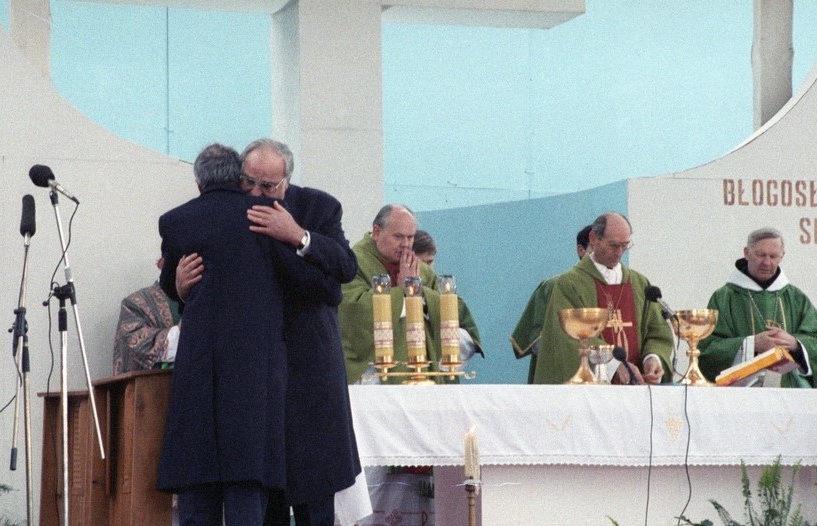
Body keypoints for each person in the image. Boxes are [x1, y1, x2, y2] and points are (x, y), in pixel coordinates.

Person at [175, 138, 363, 526]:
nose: (257, 194)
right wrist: (177, 287)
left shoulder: (318, 207)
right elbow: (205, 286)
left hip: (308, 372)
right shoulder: (228, 215)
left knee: (315, 500)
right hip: (255, 380)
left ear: (287, 183)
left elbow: (343, 269)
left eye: (269, 187)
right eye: (250, 183)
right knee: (266, 502)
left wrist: (298, 235)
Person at [156, 143, 298, 525]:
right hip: (254, 373)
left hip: (200, 371)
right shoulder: (266, 216)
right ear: (238, 179)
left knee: (197, 487)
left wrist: (178, 288)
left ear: (199, 182)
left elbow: (176, 282)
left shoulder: (175, 222)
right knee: (247, 487)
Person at [339, 204, 482, 384]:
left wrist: (420, 295)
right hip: (373, 375)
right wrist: (402, 293)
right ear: (376, 232)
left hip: (424, 374)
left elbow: (451, 306)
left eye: (410, 237)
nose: (406, 245)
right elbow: (352, 312)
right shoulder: (353, 263)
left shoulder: (420, 270)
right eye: (398, 237)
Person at [532, 212, 672, 385]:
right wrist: (612, 364)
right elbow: (567, 338)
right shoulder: (569, 284)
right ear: (593, 238)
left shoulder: (639, 283)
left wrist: (652, 359)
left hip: (637, 389)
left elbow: (657, 332)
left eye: (625, 245)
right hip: (590, 392)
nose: (619, 252)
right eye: (613, 245)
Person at [698, 227, 817, 387]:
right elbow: (707, 351)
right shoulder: (724, 297)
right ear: (747, 253)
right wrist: (752, 344)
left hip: (790, 395)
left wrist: (795, 344)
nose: (767, 262)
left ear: (782, 256)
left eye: (773, 256)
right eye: (760, 255)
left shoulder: (795, 297)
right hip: (740, 398)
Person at [510, 225, 592, 383]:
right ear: (581, 250)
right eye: (595, 248)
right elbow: (539, 341)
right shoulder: (554, 286)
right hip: (561, 378)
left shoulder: (618, 287)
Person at [111, 257, 180, 374]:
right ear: (161, 263)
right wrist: (184, 329)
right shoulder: (135, 304)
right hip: (159, 389)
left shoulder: (211, 301)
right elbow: (132, 348)